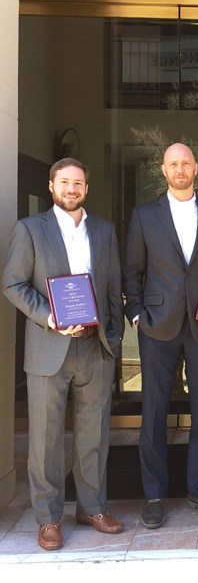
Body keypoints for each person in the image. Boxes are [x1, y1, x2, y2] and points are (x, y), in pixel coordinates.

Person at [2, 158, 124, 550]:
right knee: (45, 439)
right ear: (52, 186)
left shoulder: (103, 231)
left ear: (86, 188)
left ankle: (92, 507)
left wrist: (114, 339)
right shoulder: (30, 229)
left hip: (94, 346)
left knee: (93, 434)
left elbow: (113, 289)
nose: (72, 189)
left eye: (78, 183)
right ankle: (48, 518)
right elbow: (13, 284)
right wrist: (49, 317)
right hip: (48, 346)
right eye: (65, 182)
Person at [123, 143, 198, 528]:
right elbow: (132, 271)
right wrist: (136, 314)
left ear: (196, 168)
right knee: (154, 412)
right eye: (174, 163)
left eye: (186, 162)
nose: (181, 169)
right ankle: (154, 495)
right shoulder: (144, 216)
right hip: (158, 325)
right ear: (164, 170)